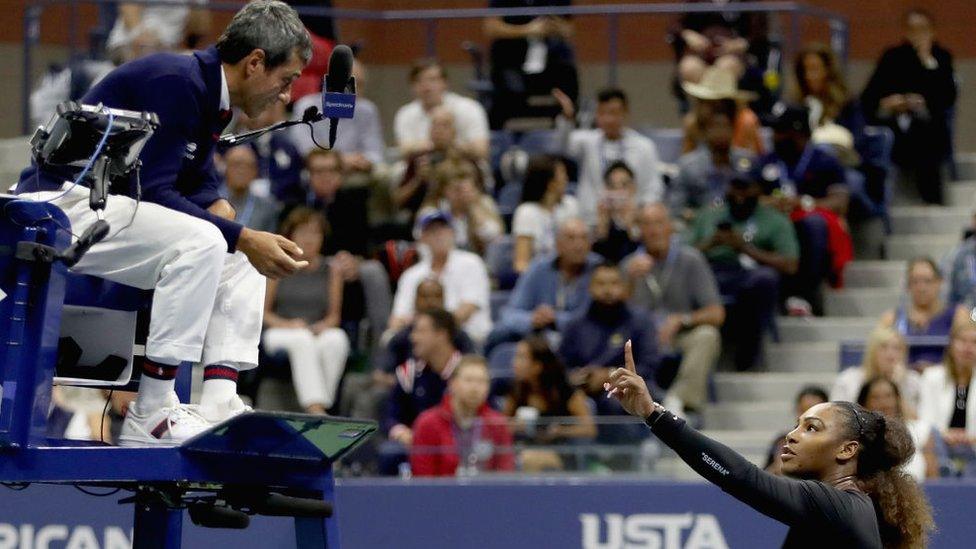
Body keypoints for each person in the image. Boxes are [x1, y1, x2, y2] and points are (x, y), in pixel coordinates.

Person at [15, 1, 312, 445]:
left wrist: (219, 206)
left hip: (103, 210)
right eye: (286, 80)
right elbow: (154, 191)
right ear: (255, 64)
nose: (287, 96)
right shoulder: (178, 82)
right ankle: (151, 410)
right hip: (57, 206)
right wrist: (240, 234)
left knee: (240, 252)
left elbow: (191, 172)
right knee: (208, 243)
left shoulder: (209, 92)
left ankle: (218, 400)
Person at [607, 341, 934, 548]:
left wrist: (654, 414)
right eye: (797, 424)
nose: (792, 435)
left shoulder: (835, 504)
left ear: (847, 450)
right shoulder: (837, 510)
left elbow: (743, 477)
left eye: (811, 428)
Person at [690, 175, 798, 370]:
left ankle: (748, 357)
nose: (739, 195)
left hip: (747, 277)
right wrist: (711, 243)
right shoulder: (709, 215)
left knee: (765, 279)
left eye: (746, 188)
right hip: (710, 274)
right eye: (735, 187)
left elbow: (790, 263)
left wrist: (744, 248)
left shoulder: (773, 219)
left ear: (757, 190)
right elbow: (679, 254)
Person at [624, 203, 724, 414]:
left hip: (679, 336)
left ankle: (679, 399)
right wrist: (629, 282)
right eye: (647, 224)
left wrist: (681, 320)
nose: (654, 230)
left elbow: (716, 313)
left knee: (707, 335)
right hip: (639, 340)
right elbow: (614, 316)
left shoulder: (691, 259)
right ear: (638, 230)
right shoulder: (628, 265)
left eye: (659, 223)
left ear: (670, 227)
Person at [754, 104, 851, 313]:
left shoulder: (824, 161)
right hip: (772, 225)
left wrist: (804, 203)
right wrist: (770, 203)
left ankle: (807, 293)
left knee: (813, 225)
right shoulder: (765, 162)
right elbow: (747, 197)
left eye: (780, 131)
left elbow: (840, 203)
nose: (773, 136)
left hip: (807, 224)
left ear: (797, 133)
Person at [861, 8, 957, 205]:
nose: (918, 34)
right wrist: (889, 103)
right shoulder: (892, 57)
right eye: (912, 29)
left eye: (923, 29)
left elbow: (947, 97)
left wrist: (928, 63)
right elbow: (869, 96)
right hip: (894, 122)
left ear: (932, 31)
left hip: (927, 123)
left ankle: (932, 198)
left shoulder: (942, 57)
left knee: (927, 133)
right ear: (905, 32)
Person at [262, 208, 349, 415]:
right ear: (291, 236)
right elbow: (263, 313)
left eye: (315, 233)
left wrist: (322, 326)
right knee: (301, 339)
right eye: (303, 233)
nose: (309, 239)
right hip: (280, 330)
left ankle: (322, 405)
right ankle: (316, 409)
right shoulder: (278, 264)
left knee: (336, 339)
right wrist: (289, 325)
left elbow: (334, 316)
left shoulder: (332, 269)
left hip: (316, 329)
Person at [559, 263, 658, 442]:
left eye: (614, 283)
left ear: (625, 287)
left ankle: (622, 460)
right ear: (590, 287)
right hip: (583, 393)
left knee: (612, 401)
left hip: (629, 390)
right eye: (601, 284)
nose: (607, 290)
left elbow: (650, 366)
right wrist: (576, 378)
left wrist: (610, 375)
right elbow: (561, 366)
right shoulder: (575, 325)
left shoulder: (641, 322)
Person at [487, 218, 600, 353]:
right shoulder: (539, 268)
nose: (579, 245)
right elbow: (510, 313)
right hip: (538, 335)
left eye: (584, 238)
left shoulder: (599, 270)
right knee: (498, 333)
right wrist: (532, 319)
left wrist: (555, 318)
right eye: (571, 238)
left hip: (582, 337)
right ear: (558, 244)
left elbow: (594, 319)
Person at [554, 87, 663, 226]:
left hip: (632, 222)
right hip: (592, 221)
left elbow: (654, 188)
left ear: (626, 113)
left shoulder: (644, 147)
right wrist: (567, 118)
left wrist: (638, 211)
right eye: (602, 113)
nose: (608, 119)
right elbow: (563, 146)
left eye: (613, 113)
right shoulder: (587, 142)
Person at [390, 211, 492, 344]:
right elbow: (397, 319)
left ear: (453, 233)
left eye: (443, 229)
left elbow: (467, 309)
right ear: (423, 238)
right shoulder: (411, 275)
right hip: (422, 340)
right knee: (390, 337)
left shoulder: (471, 263)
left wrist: (431, 331)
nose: (438, 235)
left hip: (467, 337)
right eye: (431, 231)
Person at [410, 356, 515, 477]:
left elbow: (505, 473)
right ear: (452, 384)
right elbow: (422, 477)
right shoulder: (427, 423)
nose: (475, 388)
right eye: (469, 380)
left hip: (486, 493)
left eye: (482, 381)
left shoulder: (497, 424)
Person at [504, 335, 597, 471]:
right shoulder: (517, 389)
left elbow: (589, 429)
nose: (514, 363)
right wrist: (514, 426)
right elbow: (500, 424)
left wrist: (560, 431)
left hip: (561, 452)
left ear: (537, 366)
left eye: (521, 357)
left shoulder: (565, 391)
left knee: (528, 459)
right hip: (524, 448)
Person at [484, 0, 578, 130]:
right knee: (509, 91)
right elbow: (491, 28)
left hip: (549, 62)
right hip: (512, 62)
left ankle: (567, 126)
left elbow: (569, 30)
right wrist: (528, 30)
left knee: (568, 77)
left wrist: (554, 26)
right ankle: (500, 134)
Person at [384, 308, 463, 445]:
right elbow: (392, 416)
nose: (413, 337)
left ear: (441, 334)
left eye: (420, 331)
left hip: (460, 444)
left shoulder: (468, 373)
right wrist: (402, 433)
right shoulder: (409, 372)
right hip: (416, 445)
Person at [671, 97, 755, 222]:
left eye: (726, 126)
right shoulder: (688, 166)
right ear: (705, 132)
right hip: (700, 226)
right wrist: (698, 217)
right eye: (715, 127)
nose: (721, 132)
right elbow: (675, 208)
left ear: (733, 130)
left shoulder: (748, 161)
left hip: (742, 224)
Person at [291, 59, 386, 168]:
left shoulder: (367, 110)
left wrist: (365, 161)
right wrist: (340, 160)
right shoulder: (306, 106)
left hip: (356, 171)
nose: (355, 90)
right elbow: (305, 151)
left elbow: (376, 153)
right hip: (320, 171)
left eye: (360, 84)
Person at [394, 58, 489, 160]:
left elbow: (481, 150)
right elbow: (404, 150)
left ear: (445, 83)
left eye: (432, 80)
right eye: (419, 81)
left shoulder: (469, 108)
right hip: (423, 170)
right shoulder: (405, 113)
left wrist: (448, 145)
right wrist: (436, 145)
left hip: (464, 171)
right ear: (412, 86)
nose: (426, 87)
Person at [880, 257, 966, 368]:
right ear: (908, 286)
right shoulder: (891, 319)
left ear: (939, 283)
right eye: (915, 282)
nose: (921, 288)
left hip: (944, 379)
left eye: (927, 281)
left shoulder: (958, 315)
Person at [918, 315, 976, 477]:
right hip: (939, 447)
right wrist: (945, 434)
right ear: (951, 345)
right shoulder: (932, 376)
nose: (968, 347)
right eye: (962, 341)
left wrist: (970, 438)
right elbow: (926, 420)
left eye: (974, 342)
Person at [859, 377, 944, 482]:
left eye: (888, 396)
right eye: (876, 397)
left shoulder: (921, 430)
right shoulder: (857, 436)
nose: (884, 403)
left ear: (897, 399)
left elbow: (933, 479)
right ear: (863, 403)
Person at [416, 158, 504, 256]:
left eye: (466, 188)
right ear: (443, 190)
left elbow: (494, 236)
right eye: (456, 189)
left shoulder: (484, 204)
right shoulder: (431, 212)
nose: (461, 194)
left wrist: (472, 207)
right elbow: (422, 247)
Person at [511, 154, 579, 272]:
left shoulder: (571, 205)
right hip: (539, 276)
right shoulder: (526, 212)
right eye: (563, 174)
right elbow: (521, 263)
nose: (567, 179)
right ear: (551, 184)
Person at [831, 327, 922, 412]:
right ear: (872, 352)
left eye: (897, 348)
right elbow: (838, 418)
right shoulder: (848, 380)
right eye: (883, 347)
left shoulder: (914, 380)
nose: (890, 355)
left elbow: (918, 422)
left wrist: (896, 387)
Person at [680, 66, 763, 155]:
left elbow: (753, 160)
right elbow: (686, 160)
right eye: (708, 102)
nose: (717, 110)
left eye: (721, 103)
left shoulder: (747, 121)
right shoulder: (692, 122)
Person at [236, 100, 306, 206]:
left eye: (260, 110)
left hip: (280, 204)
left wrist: (272, 189)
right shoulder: (232, 145)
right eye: (249, 110)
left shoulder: (285, 146)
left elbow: (294, 180)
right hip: (241, 202)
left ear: (272, 113)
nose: (255, 116)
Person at [793, 43, 865, 141]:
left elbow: (857, 138)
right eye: (804, 70)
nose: (808, 76)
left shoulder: (848, 104)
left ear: (828, 70)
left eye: (814, 69)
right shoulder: (797, 105)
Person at [764, 386, 829, 475]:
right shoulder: (783, 441)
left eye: (813, 412)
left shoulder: (831, 445)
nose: (806, 417)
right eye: (803, 411)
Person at [220, 145, 281, 234]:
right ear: (226, 168)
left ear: (255, 172)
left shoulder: (267, 208)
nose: (242, 170)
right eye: (237, 164)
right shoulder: (210, 201)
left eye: (248, 166)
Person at [592, 161, 640, 264]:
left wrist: (630, 227)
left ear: (633, 189)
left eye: (624, 185)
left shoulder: (644, 219)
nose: (618, 191)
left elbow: (640, 255)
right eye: (612, 186)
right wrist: (601, 228)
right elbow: (595, 261)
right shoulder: (598, 220)